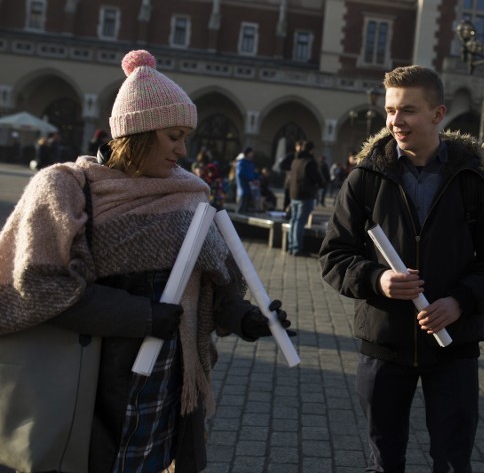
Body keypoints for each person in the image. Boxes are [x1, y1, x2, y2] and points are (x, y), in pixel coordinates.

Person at [0, 49, 291, 473]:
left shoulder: (190, 193)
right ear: (139, 131)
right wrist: (140, 316)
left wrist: (248, 319)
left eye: (185, 138)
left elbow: (209, 288)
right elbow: (40, 286)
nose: (182, 150)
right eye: (173, 136)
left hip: (169, 390)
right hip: (91, 391)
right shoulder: (65, 187)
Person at [319, 65, 484, 473]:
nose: (395, 121)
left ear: (437, 113)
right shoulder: (365, 178)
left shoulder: (474, 181)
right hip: (384, 343)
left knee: (452, 461)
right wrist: (378, 279)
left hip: (453, 346)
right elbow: (334, 256)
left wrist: (460, 302)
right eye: (390, 110)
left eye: (407, 110)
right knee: (384, 460)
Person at [287, 140, 325, 256]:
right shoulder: (309, 162)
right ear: (311, 150)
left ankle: (291, 246)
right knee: (300, 221)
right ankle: (297, 248)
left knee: (293, 220)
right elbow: (318, 178)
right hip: (305, 195)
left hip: (294, 194)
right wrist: (322, 184)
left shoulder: (295, 160)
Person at [235, 146, 259, 213]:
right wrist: (252, 179)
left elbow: (254, 173)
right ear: (247, 153)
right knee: (241, 206)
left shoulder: (251, 163)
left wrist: (257, 178)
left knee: (247, 208)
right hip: (242, 189)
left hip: (250, 189)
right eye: (251, 152)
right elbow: (241, 173)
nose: (252, 154)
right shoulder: (241, 163)